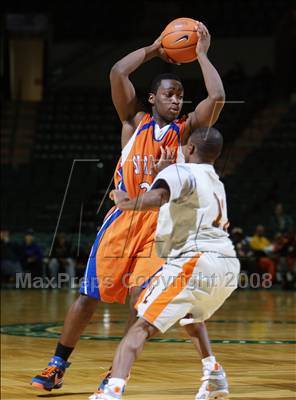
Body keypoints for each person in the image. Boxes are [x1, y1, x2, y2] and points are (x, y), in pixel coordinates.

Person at [31, 21, 226, 395]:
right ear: (152, 99)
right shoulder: (132, 122)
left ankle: (115, 371)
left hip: (159, 225)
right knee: (89, 297)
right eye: (169, 94)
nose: (176, 100)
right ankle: (58, 364)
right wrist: (156, 48)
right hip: (122, 220)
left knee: (140, 300)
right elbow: (118, 71)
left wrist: (200, 54)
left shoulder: (185, 131)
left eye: (180, 95)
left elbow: (216, 97)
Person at [93, 127, 240, 400]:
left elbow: (158, 197)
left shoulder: (179, 172)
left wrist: (125, 202)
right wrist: (165, 170)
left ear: (191, 149)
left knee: (141, 325)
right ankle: (214, 375)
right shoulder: (215, 179)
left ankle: (111, 391)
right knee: (190, 315)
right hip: (226, 267)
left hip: (194, 263)